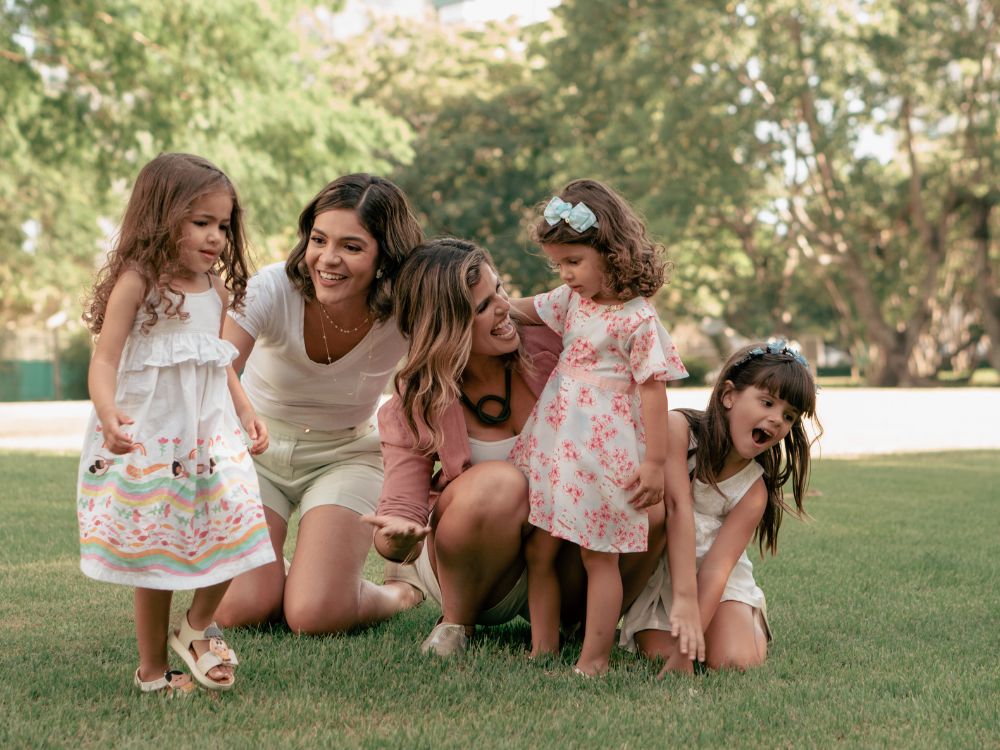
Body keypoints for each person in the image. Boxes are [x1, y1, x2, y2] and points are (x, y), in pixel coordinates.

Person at [364, 238, 672, 659]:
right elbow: (400, 511)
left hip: (558, 547)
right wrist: (398, 541)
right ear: (446, 326)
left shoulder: (556, 344)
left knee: (645, 505)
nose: (505, 307)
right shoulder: (415, 403)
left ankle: (581, 626)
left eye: (501, 290)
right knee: (500, 483)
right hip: (476, 565)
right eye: (483, 307)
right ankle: (456, 623)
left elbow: (635, 367)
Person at [77, 152, 275, 695]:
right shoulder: (137, 282)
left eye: (223, 225)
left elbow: (216, 357)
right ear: (162, 217)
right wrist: (107, 411)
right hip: (153, 436)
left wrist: (245, 407)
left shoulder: (214, 286)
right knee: (157, 555)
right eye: (201, 223)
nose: (216, 238)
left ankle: (194, 628)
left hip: (212, 434)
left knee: (241, 524)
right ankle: (151, 672)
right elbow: (105, 359)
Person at [213, 174, 425, 635]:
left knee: (316, 616)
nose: (328, 259)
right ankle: (283, 579)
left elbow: (471, 325)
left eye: (351, 247)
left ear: (385, 257)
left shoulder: (407, 310)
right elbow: (216, 368)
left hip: (346, 456)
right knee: (240, 610)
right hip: (256, 454)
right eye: (319, 240)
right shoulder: (272, 287)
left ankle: (400, 591)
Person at [507, 180, 695, 676]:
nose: (565, 274)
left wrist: (655, 462)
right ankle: (541, 648)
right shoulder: (572, 302)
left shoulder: (637, 320)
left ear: (611, 252)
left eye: (573, 261)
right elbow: (524, 309)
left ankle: (594, 660)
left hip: (603, 454)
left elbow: (654, 391)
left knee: (599, 558)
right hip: (556, 445)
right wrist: (483, 300)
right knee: (539, 545)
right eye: (558, 264)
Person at [619, 341, 821, 672]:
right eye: (766, 402)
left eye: (788, 416)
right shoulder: (679, 430)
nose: (775, 420)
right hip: (669, 576)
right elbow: (677, 507)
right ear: (729, 396)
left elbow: (717, 569)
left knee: (733, 660)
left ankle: (744, 617)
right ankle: (684, 628)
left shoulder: (753, 490)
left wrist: (685, 652)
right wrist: (683, 616)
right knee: (657, 653)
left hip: (719, 584)